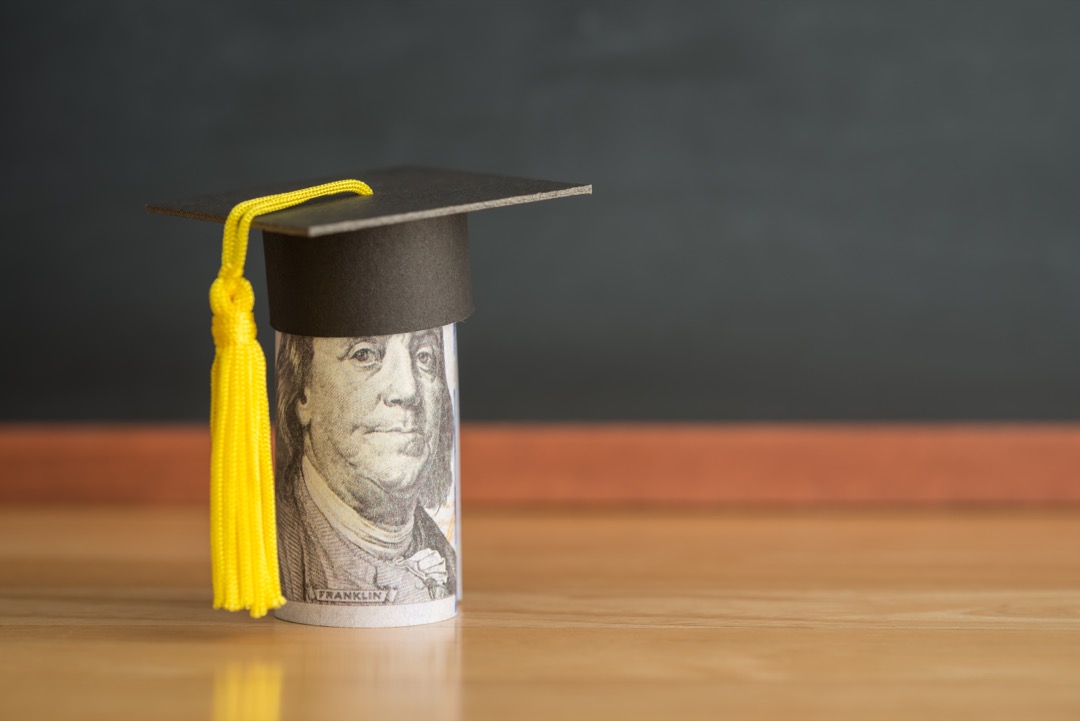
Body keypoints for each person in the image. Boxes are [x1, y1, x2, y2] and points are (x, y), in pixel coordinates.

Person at [275, 328, 456, 606]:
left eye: (424, 357)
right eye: (364, 355)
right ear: (303, 394)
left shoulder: (447, 557)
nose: (408, 390)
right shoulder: (276, 558)